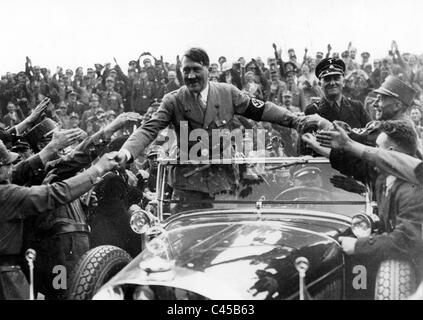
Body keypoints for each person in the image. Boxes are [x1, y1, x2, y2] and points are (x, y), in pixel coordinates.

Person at [114, 47, 332, 213]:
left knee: (223, 238)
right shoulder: (173, 100)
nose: (190, 76)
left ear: (208, 69)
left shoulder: (228, 93)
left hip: (224, 183)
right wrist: (126, 151)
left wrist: (295, 120)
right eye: (186, 70)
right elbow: (149, 128)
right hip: (187, 186)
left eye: (196, 70)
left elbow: (261, 109)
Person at [303, 120, 423, 298]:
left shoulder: (412, 192)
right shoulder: (384, 177)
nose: (370, 153)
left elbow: (407, 240)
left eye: (376, 148)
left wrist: (358, 246)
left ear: (388, 154)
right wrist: (320, 148)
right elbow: (354, 166)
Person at [0, 140, 119, 300]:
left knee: (69, 287)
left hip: (71, 248)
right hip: (58, 252)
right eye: (62, 152)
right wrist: (96, 166)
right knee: (61, 291)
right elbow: (63, 181)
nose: (12, 167)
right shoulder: (53, 175)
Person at [305, 57, 371, 129]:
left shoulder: (357, 108)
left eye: (336, 78)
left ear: (343, 82)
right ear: (320, 84)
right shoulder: (312, 110)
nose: (332, 83)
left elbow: (371, 135)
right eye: (327, 79)